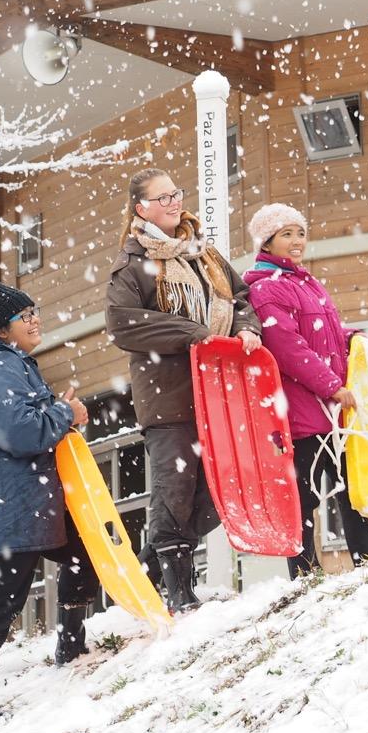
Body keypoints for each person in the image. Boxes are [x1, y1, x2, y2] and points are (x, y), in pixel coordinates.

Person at [106, 168, 262, 612]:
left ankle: (153, 564)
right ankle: (178, 589)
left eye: (176, 193)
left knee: (220, 486)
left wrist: (247, 328)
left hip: (218, 394)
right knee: (176, 487)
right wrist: (192, 334)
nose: (175, 202)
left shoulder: (204, 253)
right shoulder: (133, 263)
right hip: (169, 396)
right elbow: (122, 323)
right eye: (163, 197)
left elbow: (241, 296)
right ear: (141, 209)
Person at [0, 278, 98, 730]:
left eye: (35, 311)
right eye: (24, 316)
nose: (35, 320)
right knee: (0, 595)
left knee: (82, 554)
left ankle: (71, 644)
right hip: (6, 496)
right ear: (1, 329)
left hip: (28, 493)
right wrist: (63, 414)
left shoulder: (12, 364)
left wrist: (60, 415)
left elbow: (29, 424)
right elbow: (19, 432)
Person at [242, 203, 368, 579]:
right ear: (267, 242)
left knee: (351, 489)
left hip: (328, 411)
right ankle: (304, 573)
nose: (296, 241)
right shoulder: (268, 290)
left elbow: (325, 339)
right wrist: (332, 386)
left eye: (300, 232)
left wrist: (356, 340)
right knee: (302, 498)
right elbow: (289, 349)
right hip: (301, 411)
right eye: (286, 234)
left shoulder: (307, 284)